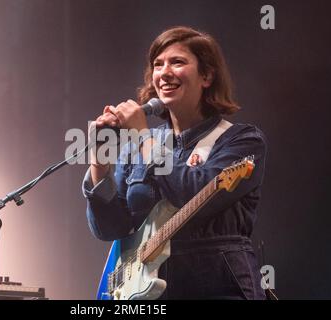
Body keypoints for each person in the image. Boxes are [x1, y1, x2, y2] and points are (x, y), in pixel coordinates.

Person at [82, 26, 267, 300]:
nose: (164, 72)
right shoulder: (139, 147)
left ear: (206, 76)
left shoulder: (242, 140)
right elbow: (111, 229)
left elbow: (190, 194)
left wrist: (143, 137)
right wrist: (99, 162)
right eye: (157, 65)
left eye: (177, 62)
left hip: (217, 288)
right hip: (150, 293)